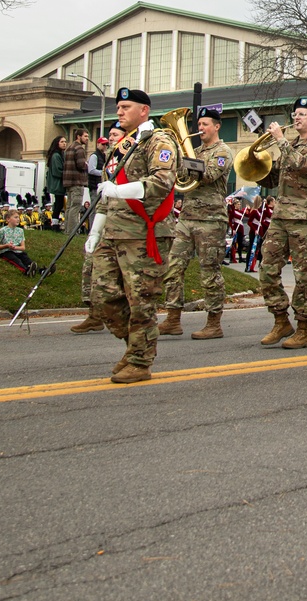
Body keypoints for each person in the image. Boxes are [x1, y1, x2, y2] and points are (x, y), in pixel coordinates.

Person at [87, 87, 179, 384]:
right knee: (102, 297)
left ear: (144, 111)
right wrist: (95, 229)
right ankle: (134, 347)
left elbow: (162, 181)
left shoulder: (159, 141)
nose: (119, 111)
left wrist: (119, 190)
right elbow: (107, 190)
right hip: (112, 232)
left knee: (141, 300)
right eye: (118, 107)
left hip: (143, 233)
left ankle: (140, 360)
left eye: (126, 106)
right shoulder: (122, 145)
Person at [259, 97, 307, 350]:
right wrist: (259, 162)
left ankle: (303, 328)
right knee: (266, 269)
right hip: (280, 215)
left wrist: (280, 141)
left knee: (302, 276)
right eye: (295, 114)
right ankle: (281, 319)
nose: (296, 118)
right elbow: (272, 180)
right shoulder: (289, 144)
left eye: (302, 114)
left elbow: (304, 166)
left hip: (305, 218)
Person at [159, 105, 235, 339]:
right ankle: (172, 318)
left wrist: (186, 160)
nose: (200, 128)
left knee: (209, 271)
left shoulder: (223, 151)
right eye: (198, 125)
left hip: (211, 220)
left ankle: (214, 322)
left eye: (204, 125)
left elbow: (209, 175)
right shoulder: (195, 151)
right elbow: (181, 176)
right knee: (173, 267)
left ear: (216, 126)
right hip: (188, 216)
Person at [72, 125, 126, 334]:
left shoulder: (134, 158)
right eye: (110, 135)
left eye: (115, 135)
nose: (111, 138)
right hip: (107, 221)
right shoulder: (109, 162)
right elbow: (104, 199)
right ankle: (94, 314)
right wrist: (94, 232)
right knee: (91, 265)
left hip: (127, 225)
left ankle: (129, 319)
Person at [0, 209, 38, 274]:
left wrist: (15, 247)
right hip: (7, 252)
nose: (18, 219)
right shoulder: (3, 230)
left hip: (18, 251)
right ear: (8, 219)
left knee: (26, 259)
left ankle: (41, 271)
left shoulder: (20, 231)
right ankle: (26, 271)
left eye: (18, 217)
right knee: (16, 260)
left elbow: (23, 247)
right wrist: (6, 245)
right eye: (15, 217)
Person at [62, 127, 89, 234]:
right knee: (75, 207)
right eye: (85, 136)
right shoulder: (79, 149)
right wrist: (86, 165)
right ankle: (73, 231)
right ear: (79, 136)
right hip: (77, 181)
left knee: (69, 207)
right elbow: (81, 165)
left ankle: (67, 230)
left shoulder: (69, 148)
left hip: (68, 182)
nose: (87, 139)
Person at [45, 136, 66, 226]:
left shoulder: (61, 154)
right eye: (62, 142)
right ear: (57, 143)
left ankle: (55, 222)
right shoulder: (56, 155)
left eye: (65, 142)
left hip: (59, 183)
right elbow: (57, 171)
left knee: (59, 203)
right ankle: (54, 223)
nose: (64, 143)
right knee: (58, 203)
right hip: (57, 183)